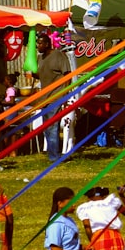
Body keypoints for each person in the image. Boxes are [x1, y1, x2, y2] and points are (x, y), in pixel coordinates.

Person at [36, 31, 72, 163]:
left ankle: (54, 156)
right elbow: (42, 75)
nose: (38, 46)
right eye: (37, 43)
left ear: (47, 44)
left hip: (56, 96)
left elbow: (68, 75)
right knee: (47, 127)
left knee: (52, 126)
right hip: (44, 97)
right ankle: (52, 153)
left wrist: (66, 94)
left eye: (40, 43)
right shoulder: (40, 58)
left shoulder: (58, 56)